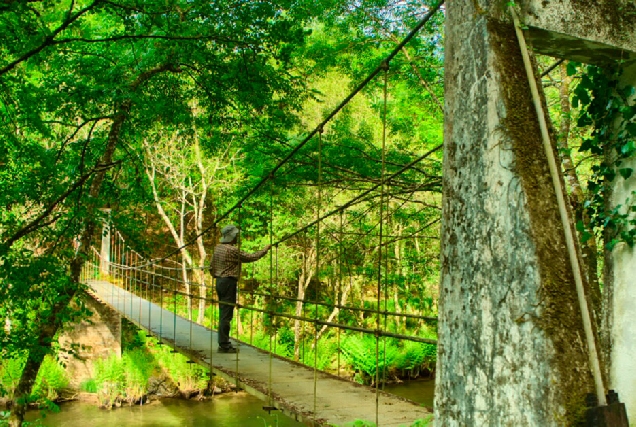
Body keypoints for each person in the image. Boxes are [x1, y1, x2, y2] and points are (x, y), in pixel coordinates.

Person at [211, 224, 271, 353]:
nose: (237, 237)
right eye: (236, 235)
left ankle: (223, 342)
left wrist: (219, 275)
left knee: (223, 312)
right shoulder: (232, 250)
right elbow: (251, 257)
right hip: (228, 283)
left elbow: (211, 267)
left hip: (219, 282)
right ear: (231, 236)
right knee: (226, 314)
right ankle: (224, 345)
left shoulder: (217, 248)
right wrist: (265, 249)